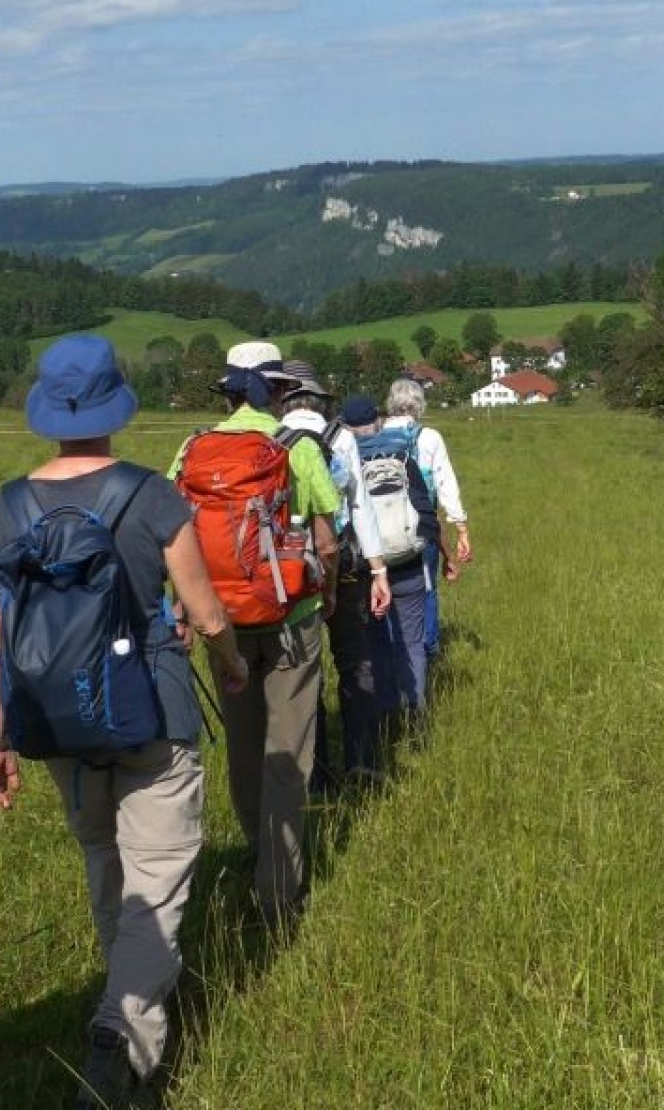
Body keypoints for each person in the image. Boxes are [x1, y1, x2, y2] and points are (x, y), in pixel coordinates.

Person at [0, 335, 246, 1110]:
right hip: (152, 713)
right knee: (157, 882)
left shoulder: (8, 506)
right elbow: (203, 609)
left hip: (57, 720)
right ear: (114, 406)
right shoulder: (151, 495)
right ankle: (117, 1041)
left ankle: (128, 1029)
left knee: (110, 870)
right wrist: (228, 664)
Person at [177, 341, 340, 929]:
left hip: (221, 622)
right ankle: (280, 890)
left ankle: (256, 856)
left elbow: (177, 534)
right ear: (279, 391)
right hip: (290, 620)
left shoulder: (193, 447)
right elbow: (325, 538)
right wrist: (330, 596)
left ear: (228, 393)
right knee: (288, 756)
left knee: (245, 750)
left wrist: (188, 610)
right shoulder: (297, 448)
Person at [280, 360, 391, 787]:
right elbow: (360, 507)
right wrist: (378, 569)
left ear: (284, 398)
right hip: (343, 563)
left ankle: (317, 771)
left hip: (291, 570)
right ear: (322, 402)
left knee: (307, 670)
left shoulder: (272, 440)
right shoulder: (341, 437)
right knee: (354, 660)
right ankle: (363, 759)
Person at [342, 394, 441, 758]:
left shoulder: (347, 459)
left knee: (376, 645)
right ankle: (416, 718)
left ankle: (385, 721)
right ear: (378, 422)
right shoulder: (403, 452)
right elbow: (423, 505)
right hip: (409, 562)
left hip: (369, 567)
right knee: (412, 644)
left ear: (347, 428)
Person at [382, 376, 473, 659]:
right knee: (427, 589)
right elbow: (446, 485)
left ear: (391, 404)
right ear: (419, 405)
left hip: (381, 529)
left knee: (385, 589)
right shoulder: (430, 437)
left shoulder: (376, 433)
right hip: (423, 526)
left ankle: (391, 652)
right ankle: (427, 653)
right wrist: (461, 528)